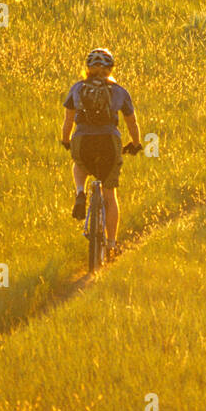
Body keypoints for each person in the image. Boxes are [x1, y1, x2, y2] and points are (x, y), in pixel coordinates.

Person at [60, 47, 142, 257]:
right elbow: (131, 122)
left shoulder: (77, 89)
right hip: (108, 142)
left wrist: (66, 140)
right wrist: (136, 143)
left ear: (87, 69)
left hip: (83, 140)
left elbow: (68, 120)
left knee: (79, 164)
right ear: (111, 69)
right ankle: (112, 244)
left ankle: (80, 192)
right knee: (109, 194)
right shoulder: (119, 91)